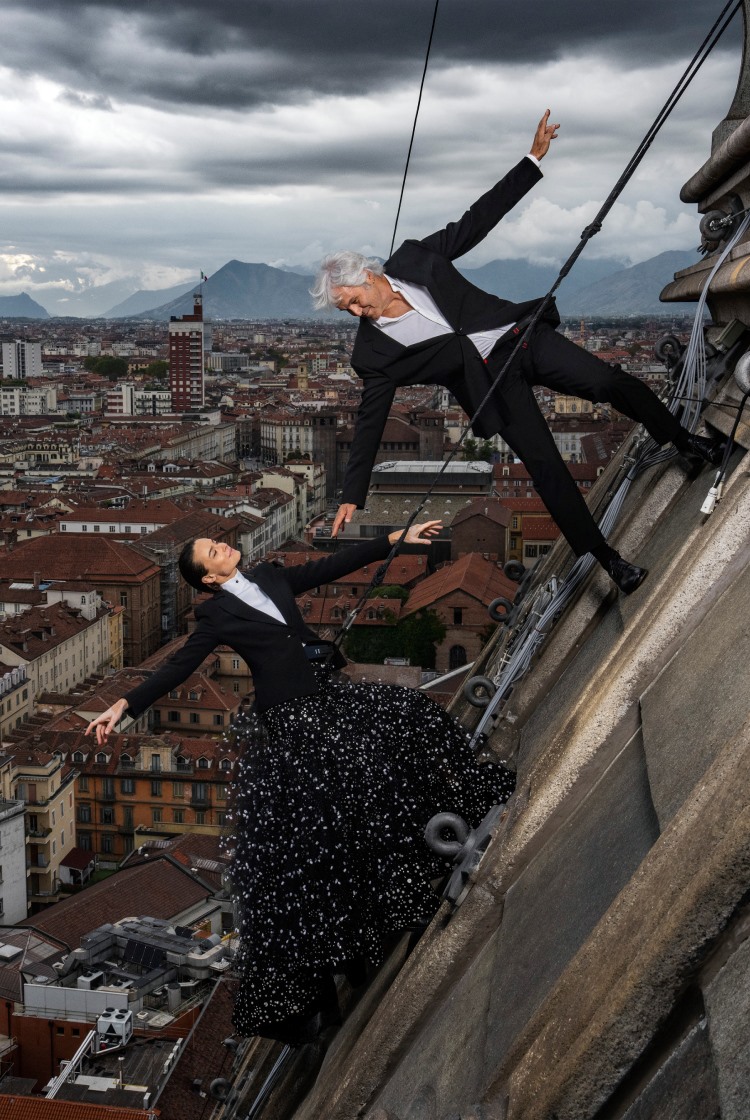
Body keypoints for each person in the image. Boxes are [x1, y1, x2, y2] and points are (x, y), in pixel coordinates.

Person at [86, 525, 514, 1045]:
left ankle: (460, 813)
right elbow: (177, 668)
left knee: (410, 713)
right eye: (211, 550)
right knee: (356, 795)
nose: (221, 545)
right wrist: (124, 705)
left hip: (327, 696)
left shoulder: (268, 575)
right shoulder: (214, 615)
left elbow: (331, 567)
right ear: (210, 580)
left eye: (216, 542)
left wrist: (396, 537)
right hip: (292, 720)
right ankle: (398, 899)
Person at [311, 111, 723, 595]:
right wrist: (352, 495)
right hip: (491, 389)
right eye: (347, 310)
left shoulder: (416, 258)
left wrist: (532, 160)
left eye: (354, 300)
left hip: (521, 339)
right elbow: (370, 419)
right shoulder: (372, 353)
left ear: (370, 275)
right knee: (547, 469)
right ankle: (608, 561)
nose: (357, 311)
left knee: (610, 384)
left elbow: (477, 220)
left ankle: (682, 442)